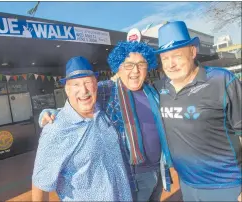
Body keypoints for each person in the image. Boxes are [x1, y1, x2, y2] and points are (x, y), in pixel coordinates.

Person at [39, 42, 173, 202]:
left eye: (141, 64)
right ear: (119, 68)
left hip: (157, 170)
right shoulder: (106, 90)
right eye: (129, 65)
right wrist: (52, 113)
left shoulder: (153, 92)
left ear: (148, 67)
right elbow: (79, 102)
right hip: (131, 175)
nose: (135, 71)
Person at [153, 21, 242, 202]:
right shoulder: (158, 89)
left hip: (226, 185)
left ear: (192, 52)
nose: (171, 64)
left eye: (177, 56)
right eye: (165, 58)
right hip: (187, 185)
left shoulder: (222, 80)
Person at [31, 56, 132, 202]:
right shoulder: (56, 130)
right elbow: (40, 184)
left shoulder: (101, 111)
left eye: (87, 83)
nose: (83, 90)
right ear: (67, 89)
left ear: (96, 85)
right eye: (76, 85)